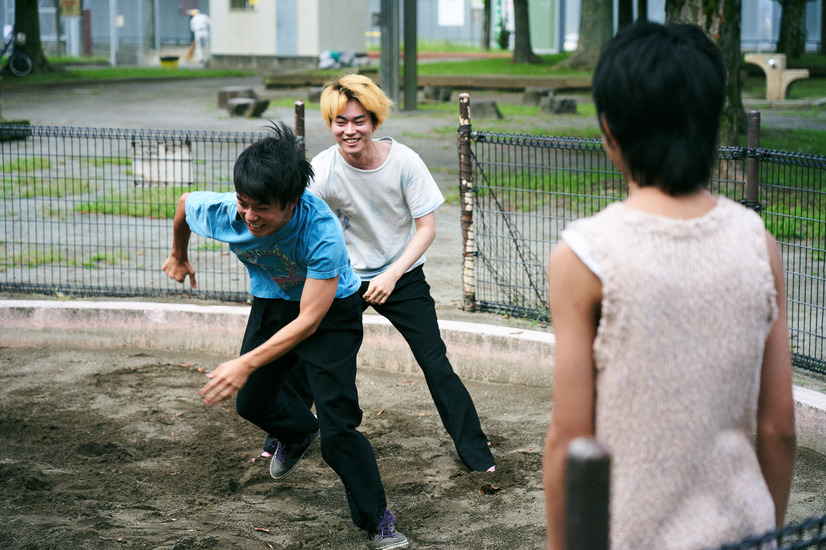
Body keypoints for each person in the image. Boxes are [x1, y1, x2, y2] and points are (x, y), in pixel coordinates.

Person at [542, 21, 797, 550]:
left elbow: (569, 440)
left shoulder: (584, 256)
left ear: (610, 129)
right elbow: (779, 429)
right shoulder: (758, 243)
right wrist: (766, 531)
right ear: (710, 124)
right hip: (745, 532)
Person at [162, 122, 409, 549]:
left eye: (261, 207)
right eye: (244, 203)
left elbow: (310, 321)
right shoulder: (230, 211)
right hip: (273, 301)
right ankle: (296, 433)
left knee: (338, 431)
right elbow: (184, 204)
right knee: (252, 401)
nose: (249, 216)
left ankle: (376, 520)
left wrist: (244, 361)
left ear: (292, 204)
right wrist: (177, 255)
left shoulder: (321, 231)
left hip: (330, 313)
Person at [306, 74, 496, 473]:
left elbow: (426, 229)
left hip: (402, 273)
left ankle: (475, 450)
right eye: (340, 121)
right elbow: (310, 231)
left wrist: (392, 274)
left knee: (435, 362)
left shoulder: (405, 162)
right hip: (345, 277)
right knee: (315, 354)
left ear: (374, 121)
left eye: (358, 120)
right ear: (329, 124)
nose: (350, 130)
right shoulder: (321, 171)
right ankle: (288, 432)